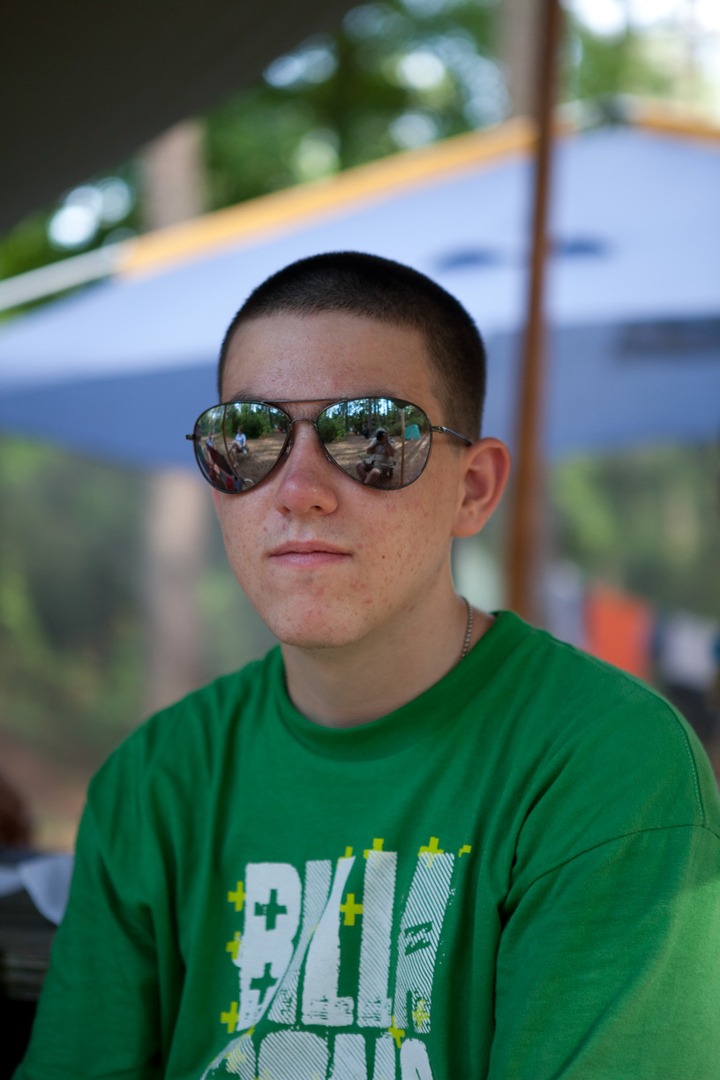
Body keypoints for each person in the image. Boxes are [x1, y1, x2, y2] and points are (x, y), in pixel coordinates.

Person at [15, 252, 720, 1079]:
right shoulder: (155, 778)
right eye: (247, 436)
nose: (298, 488)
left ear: (475, 488)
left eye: (373, 434)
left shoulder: (606, 766)